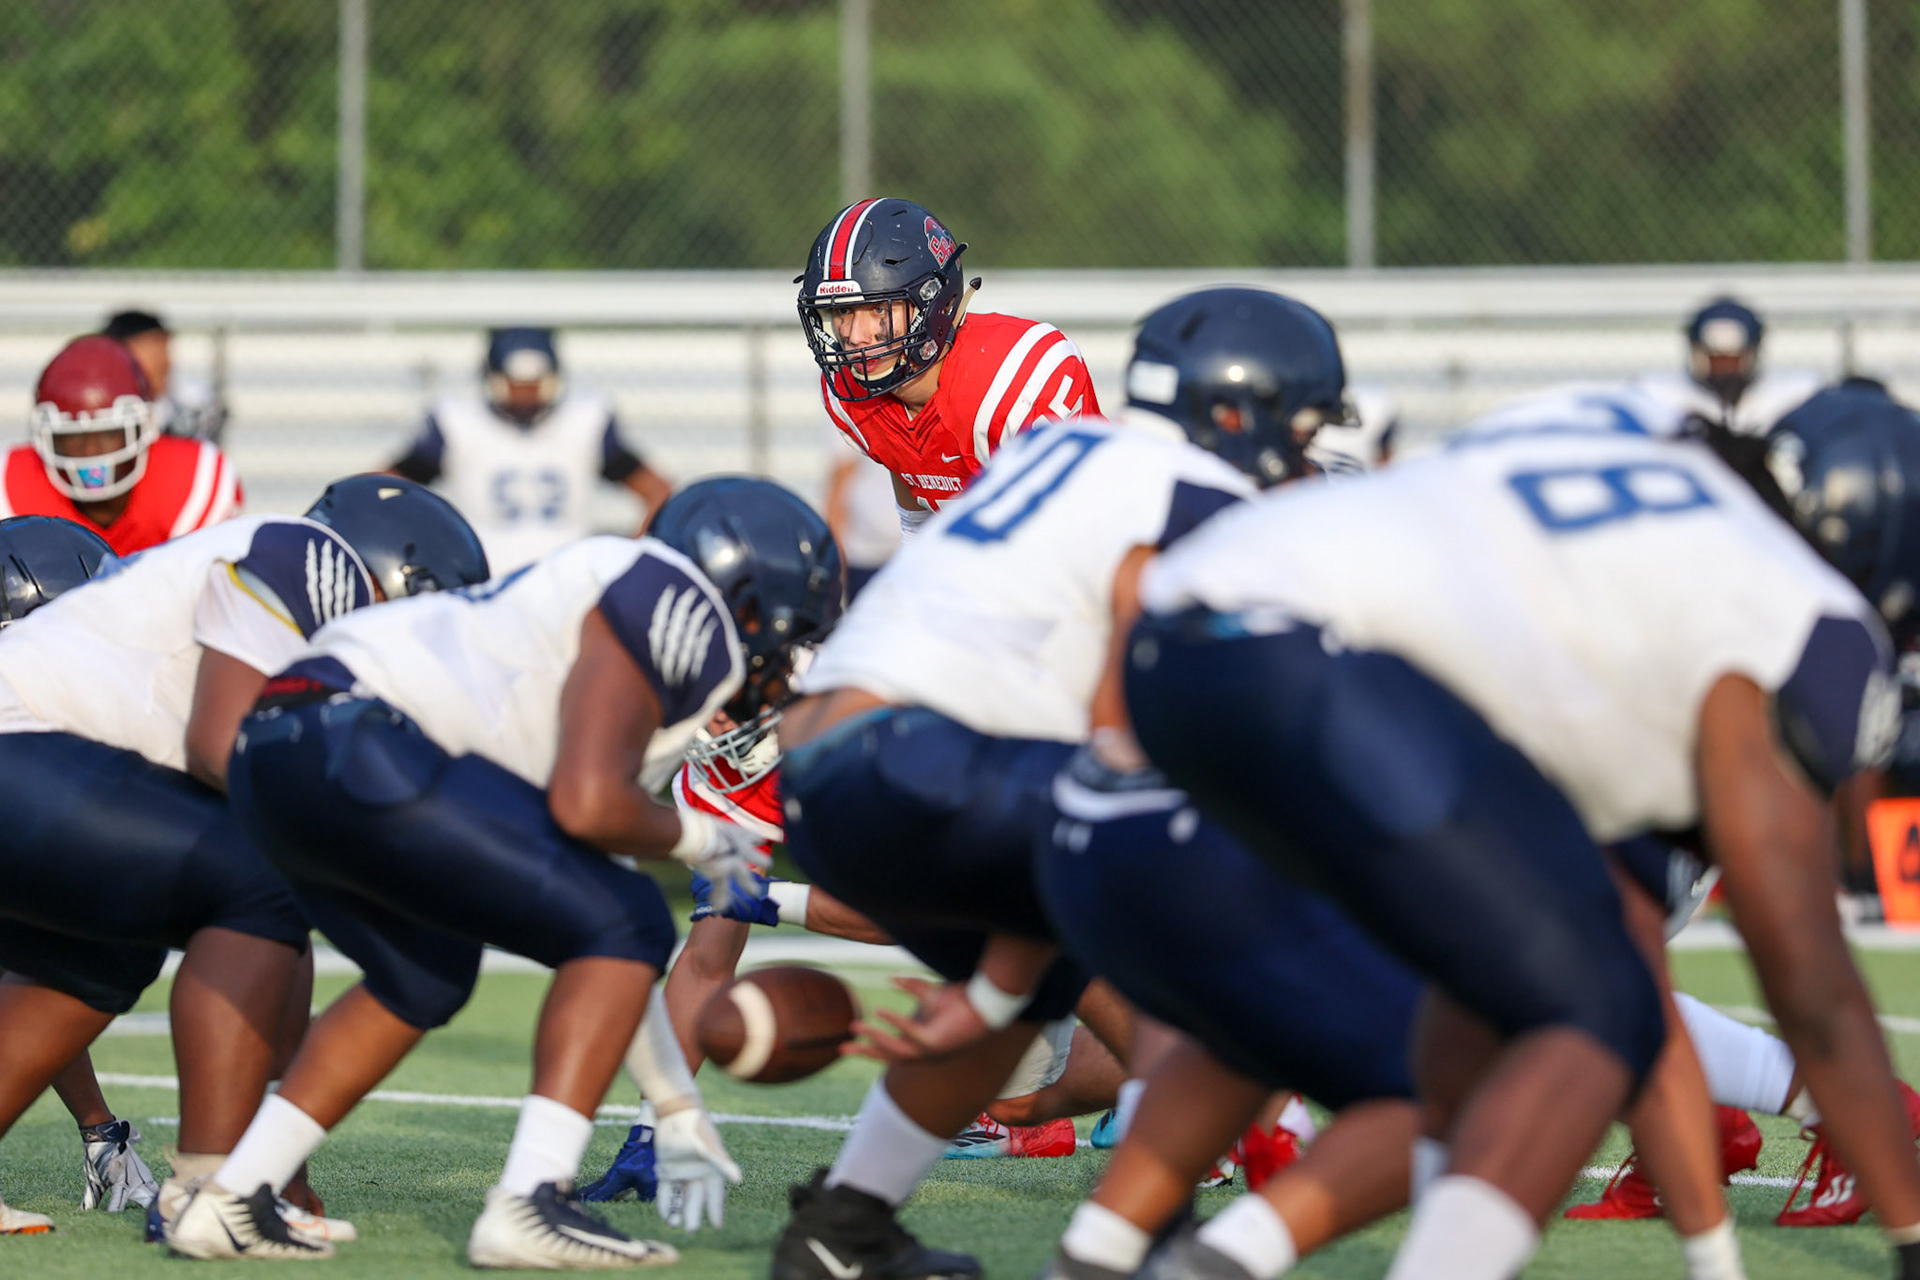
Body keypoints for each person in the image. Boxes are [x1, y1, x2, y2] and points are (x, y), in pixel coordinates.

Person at [1122, 386, 1920, 1279]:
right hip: (1317, 666)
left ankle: (1145, 1256)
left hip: (1170, 639)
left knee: (1478, 999)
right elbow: (1807, 978)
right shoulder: (1798, 607)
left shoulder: (1636, 422)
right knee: (1579, 1017)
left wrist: (1712, 1260)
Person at [762, 286, 1350, 1280]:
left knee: (1036, 985)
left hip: (830, 762)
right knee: (1179, 954)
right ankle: (1137, 1242)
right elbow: (1131, 691)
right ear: (1243, 412)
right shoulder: (1181, 494)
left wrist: (996, 982)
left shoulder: (1067, 456)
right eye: (1302, 423)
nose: (1305, 447)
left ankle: (842, 1226)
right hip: (920, 746)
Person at [165, 477, 842, 1268]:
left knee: (426, 972)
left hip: (285, 747)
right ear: (745, 595)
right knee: (625, 916)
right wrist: (705, 840)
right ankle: (531, 1200)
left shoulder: (597, 628)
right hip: (359, 731)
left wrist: (675, 1107)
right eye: (780, 632)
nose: (775, 664)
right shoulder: (668, 594)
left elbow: (606, 947)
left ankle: (234, 1197)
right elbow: (591, 810)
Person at [0, 477, 487, 1244]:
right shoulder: (305, 554)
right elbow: (217, 741)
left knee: (95, 960)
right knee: (260, 882)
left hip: (46, 765)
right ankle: (212, 1188)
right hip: (27, 748)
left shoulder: (273, 587)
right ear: (396, 579)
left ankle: (247, 1178)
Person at [799, 197, 1099, 535]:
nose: (855, 336)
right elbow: (917, 521)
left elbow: (1076, 538)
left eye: (879, 310)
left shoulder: (1017, 378)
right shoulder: (852, 394)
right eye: (842, 312)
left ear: (932, 300)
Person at [389, 326, 674, 573]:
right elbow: (384, 488)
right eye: (514, 384)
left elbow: (659, 492)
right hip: (482, 577)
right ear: (492, 379)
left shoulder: (585, 420)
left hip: (567, 579)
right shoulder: (457, 422)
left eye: (535, 384)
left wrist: (629, 559)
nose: (525, 395)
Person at [0, 335, 242, 555]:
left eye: (108, 434)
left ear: (144, 427)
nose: (91, 452)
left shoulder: (191, 479)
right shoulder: (12, 483)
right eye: (73, 437)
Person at [1632, 296, 1820, 437]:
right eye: (1716, 359)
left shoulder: (1788, 397)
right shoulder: (1665, 397)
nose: (1724, 370)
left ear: (1751, 356)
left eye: (1733, 360)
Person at [101, 310, 228, 443]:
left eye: (164, 348)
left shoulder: (195, 405)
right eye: (153, 353)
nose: (165, 361)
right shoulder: (99, 407)